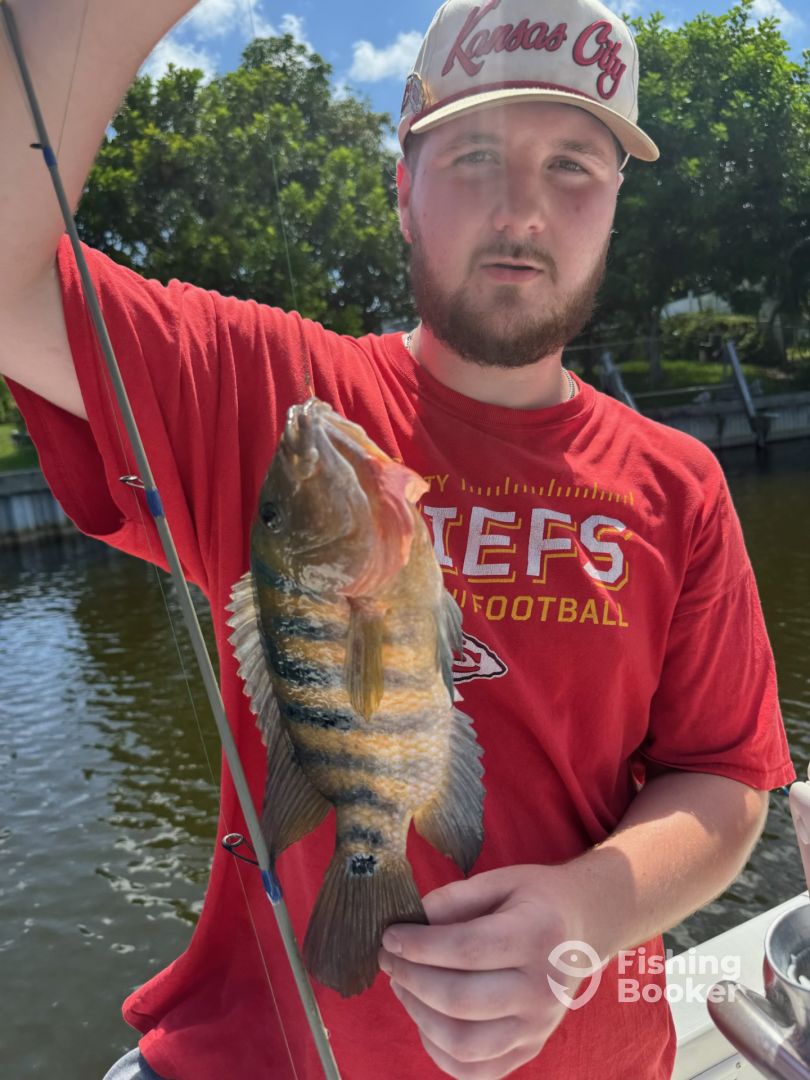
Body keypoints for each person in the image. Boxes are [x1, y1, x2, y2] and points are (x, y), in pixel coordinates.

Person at [0, 0, 795, 1077]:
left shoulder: (680, 486)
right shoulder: (273, 397)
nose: (522, 209)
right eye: (475, 155)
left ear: (616, 201)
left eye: (572, 165)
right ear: (403, 185)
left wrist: (587, 910)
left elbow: (727, 780)